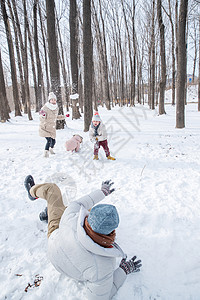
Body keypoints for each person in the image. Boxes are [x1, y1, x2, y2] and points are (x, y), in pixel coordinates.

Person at [24, 175, 142, 300]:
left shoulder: (71, 214)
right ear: (111, 231)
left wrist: (102, 192)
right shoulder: (103, 266)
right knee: (74, 208)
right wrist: (123, 270)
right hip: (65, 260)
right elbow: (100, 297)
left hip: (56, 239)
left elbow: (81, 203)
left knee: (52, 190)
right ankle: (49, 211)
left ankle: (37, 196)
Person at [39, 92, 65, 158]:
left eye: (54, 100)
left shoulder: (56, 108)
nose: (53, 101)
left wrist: (64, 116)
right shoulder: (45, 108)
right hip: (45, 127)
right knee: (49, 140)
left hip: (52, 128)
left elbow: (56, 117)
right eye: (52, 100)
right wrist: (43, 115)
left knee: (53, 141)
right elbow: (41, 117)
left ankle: (51, 149)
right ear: (49, 100)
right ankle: (46, 153)